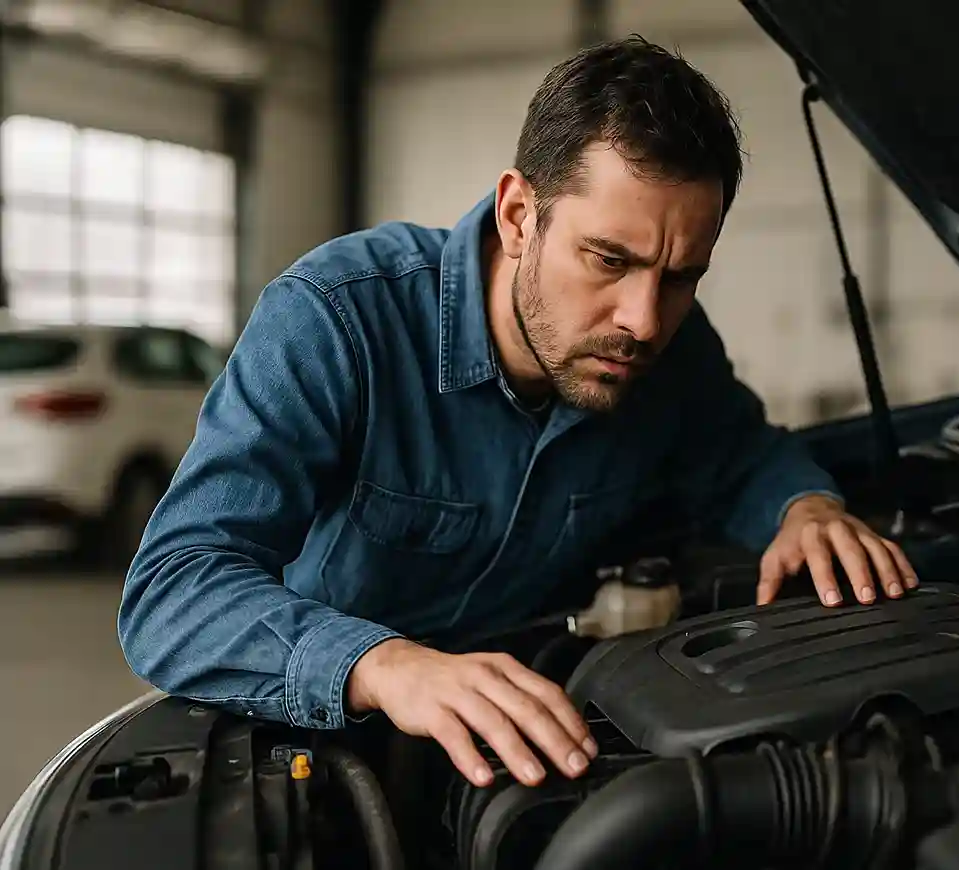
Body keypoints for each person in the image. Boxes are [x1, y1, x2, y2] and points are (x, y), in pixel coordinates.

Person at [118, 36, 918, 791]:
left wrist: (803, 506)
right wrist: (387, 666)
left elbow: (738, 454)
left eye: (680, 277)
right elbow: (173, 590)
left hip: (546, 733)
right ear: (517, 215)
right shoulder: (335, 321)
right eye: (609, 260)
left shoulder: (670, 352)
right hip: (336, 740)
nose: (642, 320)